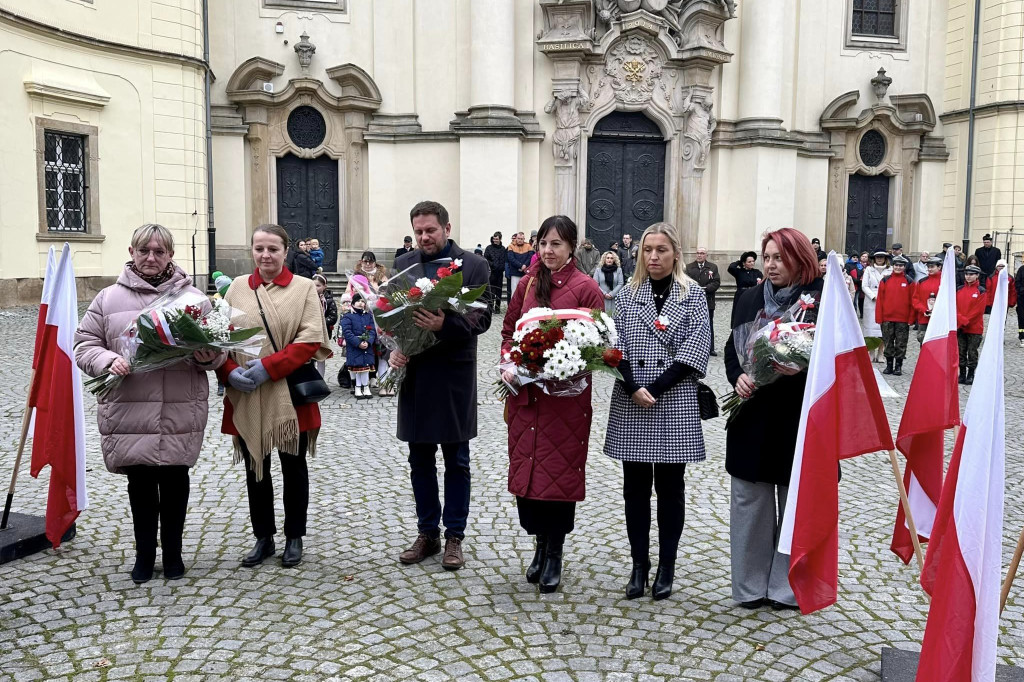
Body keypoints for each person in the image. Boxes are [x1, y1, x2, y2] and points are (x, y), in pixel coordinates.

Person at [74, 223, 224, 583]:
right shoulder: (108, 298)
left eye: (159, 251)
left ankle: (173, 554)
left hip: (179, 405)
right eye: (144, 251)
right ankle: (144, 555)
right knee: (140, 484)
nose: (151, 258)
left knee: (175, 481)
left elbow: (216, 355)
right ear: (132, 253)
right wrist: (108, 361)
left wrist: (207, 355)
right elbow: (83, 345)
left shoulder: (193, 299)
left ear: (171, 255)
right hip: (131, 405)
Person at [604, 222, 711, 601]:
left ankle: (667, 566)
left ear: (675, 253)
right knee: (634, 489)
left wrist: (657, 387)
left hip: (674, 397)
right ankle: (639, 565)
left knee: (670, 488)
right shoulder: (628, 294)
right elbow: (614, 344)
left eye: (661, 250)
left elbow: (697, 345)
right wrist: (633, 385)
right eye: (648, 249)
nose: (653, 256)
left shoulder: (693, 293)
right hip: (632, 399)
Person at [217, 224, 332, 569]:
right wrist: (228, 373)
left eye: (273, 249)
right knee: (256, 466)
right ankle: (263, 537)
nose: (265, 255)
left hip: (288, 390)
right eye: (259, 248)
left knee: (293, 466)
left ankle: (294, 535)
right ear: (252, 250)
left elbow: (310, 340)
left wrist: (269, 367)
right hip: (246, 390)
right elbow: (218, 340)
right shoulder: (236, 288)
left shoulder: (304, 288)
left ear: (286, 252)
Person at [502, 216, 605, 594]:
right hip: (527, 399)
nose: (547, 250)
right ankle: (539, 544)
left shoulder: (586, 288)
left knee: (557, 477)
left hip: (566, 402)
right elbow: (510, 329)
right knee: (527, 473)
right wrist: (509, 364)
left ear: (571, 247)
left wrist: (568, 368)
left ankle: (555, 551)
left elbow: (599, 344)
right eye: (543, 243)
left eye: (556, 244)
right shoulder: (528, 283)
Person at [724, 227, 823, 611]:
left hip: (799, 415)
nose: (770, 264)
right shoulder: (748, 297)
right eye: (767, 257)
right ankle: (748, 587)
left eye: (779, 258)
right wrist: (740, 376)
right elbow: (733, 349)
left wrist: (801, 367)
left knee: (795, 503)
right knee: (750, 503)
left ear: (800, 258)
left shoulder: (822, 298)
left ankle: (786, 587)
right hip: (752, 414)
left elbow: (835, 354)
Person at [391, 200, 492, 571]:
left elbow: (481, 318)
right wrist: (395, 349)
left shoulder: (474, 265)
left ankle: (454, 536)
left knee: (457, 460)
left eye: (430, 230)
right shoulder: (404, 265)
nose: (424, 237)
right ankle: (427, 533)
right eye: (418, 231)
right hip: (416, 373)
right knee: (419, 459)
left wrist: (443, 326)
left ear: (447, 228)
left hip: (453, 373)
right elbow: (393, 317)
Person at [875, 255, 916, 376]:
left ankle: (898, 366)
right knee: (888, 342)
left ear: (904, 267)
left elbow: (913, 301)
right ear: (893, 266)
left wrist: (911, 319)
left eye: (901, 265)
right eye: (896, 265)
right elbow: (880, 300)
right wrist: (879, 317)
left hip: (902, 319)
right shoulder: (885, 280)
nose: (898, 267)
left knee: (901, 343)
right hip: (887, 318)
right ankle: (889, 365)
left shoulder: (909, 281)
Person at [685, 247, 720, 356]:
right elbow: (686, 281)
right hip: (693, 301)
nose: (699, 255)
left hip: (708, 300)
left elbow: (716, 282)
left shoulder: (713, 267)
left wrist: (706, 289)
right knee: (692, 324)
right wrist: (695, 289)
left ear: (706, 255)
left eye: (702, 253)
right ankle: (692, 347)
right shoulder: (689, 267)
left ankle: (710, 348)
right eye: (698, 253)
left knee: (709, 324)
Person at [340, 292, 377, 399]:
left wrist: (368, 341)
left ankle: (366, 387)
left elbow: (372, 331)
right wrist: (358, 342)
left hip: (367, 347)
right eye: (358, 301)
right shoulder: (348, 316)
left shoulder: (368, 316)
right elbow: (347, 332)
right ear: (353, 303)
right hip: (354, 347)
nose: (361, 304)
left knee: (365, 368)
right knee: (357, 368)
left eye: (363, 301)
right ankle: (357, 387)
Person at [956, 264, 986, 385]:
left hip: (974, 327)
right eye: (967, 274)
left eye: (971, 274)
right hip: (960, 326)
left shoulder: (981, 291)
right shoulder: (959, 289)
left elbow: (978, 310)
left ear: (977, 276)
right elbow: (955, 306)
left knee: (972, 351)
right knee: (961, 351)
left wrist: (966, 320)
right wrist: (960, 319)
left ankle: (971, 373)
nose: (968, 276)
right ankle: (962, 373)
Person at [860, 251, 891, 361]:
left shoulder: (890, 270)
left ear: (885, 259)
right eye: (877, 257)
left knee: (882, 328)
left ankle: (881, 352)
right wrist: (873, 296)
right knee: (870, 328)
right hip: (871, 300)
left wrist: (884, 297)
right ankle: (871, 351)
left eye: (882, 257)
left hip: (885, 300)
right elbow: (864, 285)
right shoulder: (869, 269)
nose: (879, 259)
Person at [913, 256, 944, 345]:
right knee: (924, 344)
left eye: (932, 267)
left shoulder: (944, 282)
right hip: (924, 318)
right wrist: (923, 310)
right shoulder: (921, 282)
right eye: (928, 267)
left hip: (940, 319)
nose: (930, 269)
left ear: (939, 267)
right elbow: (915, 299)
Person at [727, 251, 762, 326]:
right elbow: (731, 267)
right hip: (741, 295)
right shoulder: (739, 272)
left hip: (753, 294)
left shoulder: (757, 272)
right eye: (749, 262)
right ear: (744, 263)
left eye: (753, 261)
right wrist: (739, 261)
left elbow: (761, 282)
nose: (752, 263)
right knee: (740, 314)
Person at [313, 274, 337, 378]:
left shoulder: (328, 300)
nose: (315, 288)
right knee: (310, 356)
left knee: (321, 357)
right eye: (313, 285)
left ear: (324, 287)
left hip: (324, 332)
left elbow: (333, 317)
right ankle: (311, 378)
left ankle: (321, 379)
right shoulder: (308, 298)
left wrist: (321, 322)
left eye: (318, 285)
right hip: (310, 331)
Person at [484, 232, 507, 314]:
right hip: (491, 273)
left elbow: (504, 260)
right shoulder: (489, 248)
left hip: (499, 273)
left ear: (500, 239)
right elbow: (486, 259)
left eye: (497, 239)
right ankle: (490, 307)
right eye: (494, 239)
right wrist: (493, 265)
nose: (495, 241)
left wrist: (501, 268)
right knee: (491, 291)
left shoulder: (503, 249)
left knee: (499, 291)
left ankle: (497, 307)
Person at [506, 232, 534, 299]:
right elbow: (511, 259)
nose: (520, 240)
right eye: (518, 238)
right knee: (514, 292)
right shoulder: (511, 246)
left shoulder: (528, 246)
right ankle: (514, 308)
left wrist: (524, 265)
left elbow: (530, 257)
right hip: (515, 273)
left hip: (525, 273)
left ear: (524, 239)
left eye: (521, 239)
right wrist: (521, 266)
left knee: (525, 292)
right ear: (516, 238)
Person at [1016, 261, 1024, 348]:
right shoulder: (1021, 269)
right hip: (1022, 298)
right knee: (1022, 318)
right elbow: (1017, 282)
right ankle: (1022, 336)